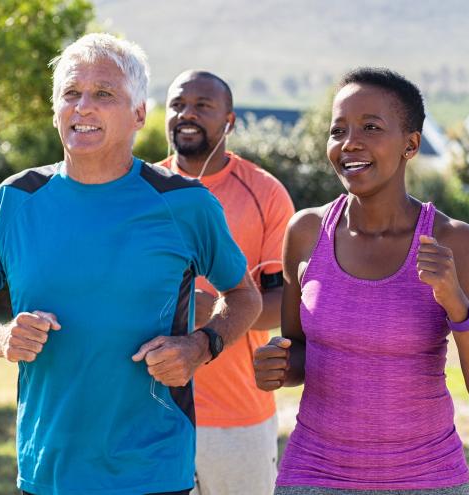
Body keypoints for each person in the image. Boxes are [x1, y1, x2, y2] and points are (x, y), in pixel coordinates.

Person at [0, 34, 262, 495]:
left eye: (104, 94)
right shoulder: (15, 200)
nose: (83, 107)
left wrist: (200, 346)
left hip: (153, 469)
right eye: (71, 94)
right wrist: (0, 337)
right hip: (47, 469)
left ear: (138, 114)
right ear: (55, 111)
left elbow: (244, 295)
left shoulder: (185, 203)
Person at [253, 67, 469, 495]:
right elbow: (299, 349)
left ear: (410, 145)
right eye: (338, 130)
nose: (349, 142)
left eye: (371, 127)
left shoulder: (454, 242)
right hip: (314, 476)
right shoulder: (305, 234)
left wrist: (455, 303)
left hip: (425, 479)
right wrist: (279, 366)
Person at [157, 70, 295, 495]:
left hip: (238, 414)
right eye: (178, 104)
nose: (187, 114)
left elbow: (287, 300)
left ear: (229, 121)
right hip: (147, 410)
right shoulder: (137, 190)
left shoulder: (265, 193)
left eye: (203, 106)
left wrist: (217, 309)